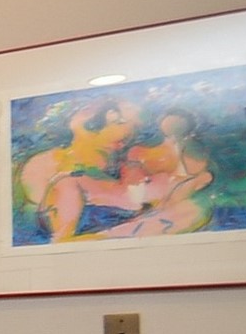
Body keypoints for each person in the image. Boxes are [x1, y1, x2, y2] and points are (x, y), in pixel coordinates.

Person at [18, 99, 143, 241]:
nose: (122, 141)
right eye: (117, 122)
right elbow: (62, 238)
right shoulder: (54, 171)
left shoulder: (127, 164)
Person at [99, 110, 215, 238]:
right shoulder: (153, 151)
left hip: (181, 202)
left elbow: (198, 174)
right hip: (158, 204)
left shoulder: (191, 150)